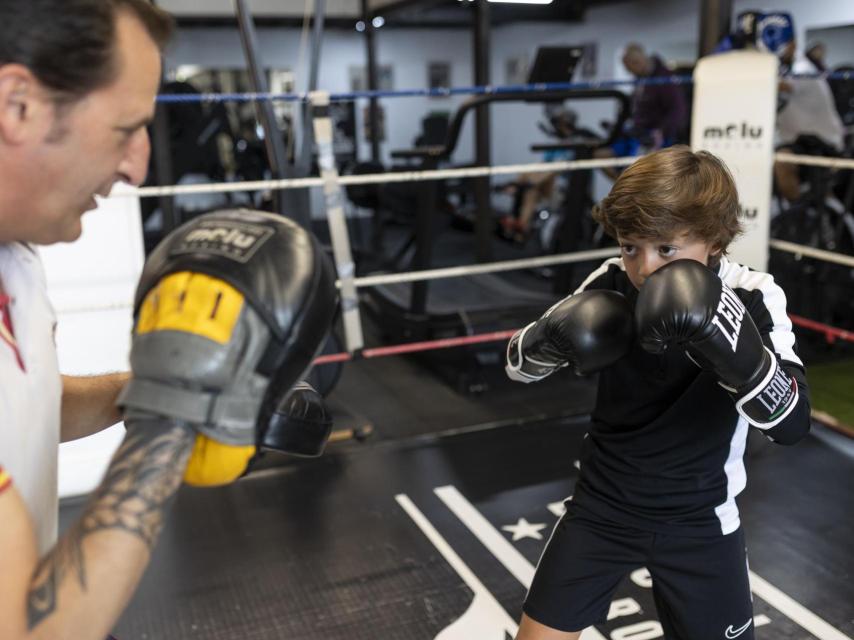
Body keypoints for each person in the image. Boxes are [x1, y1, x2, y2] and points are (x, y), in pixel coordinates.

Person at [0, 2, 336, 639]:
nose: (137, 167)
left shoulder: (14, 254)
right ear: (19, 105)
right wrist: (181, 408)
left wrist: (157, 388)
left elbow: (30, 408)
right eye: (126, 128)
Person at [506, 146, 811, 640]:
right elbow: (518, 367)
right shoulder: (608, 280)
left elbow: (793, 424)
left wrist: (743, 360)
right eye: (631, 247)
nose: (644, 268)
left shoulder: (754, 295)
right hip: (601, 509)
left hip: (701, 521)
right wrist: (548, 340)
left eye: (666, 249)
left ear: (713, 239)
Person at [594, 43, 688, 180]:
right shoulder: (641, 80)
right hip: (636, 134)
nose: (629, 73)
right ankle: (624, 190)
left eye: (629, 68)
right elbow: (636, 110)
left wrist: (661, 132)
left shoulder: (664, 78)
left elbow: (678, 110)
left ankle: (629, 191)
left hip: (653, 138)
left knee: (634, 170)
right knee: (601, 155)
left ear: (636, 62)